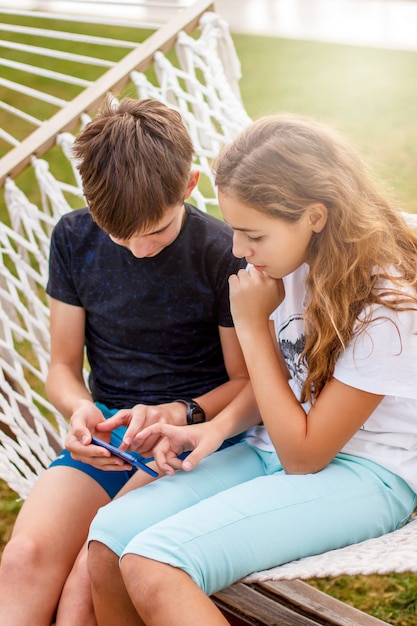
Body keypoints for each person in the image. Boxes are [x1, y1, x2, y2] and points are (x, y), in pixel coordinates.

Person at [86, 112, 417, 626]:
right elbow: (279, 400)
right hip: (273, 447)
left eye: (252, 235)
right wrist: (213, 429)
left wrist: (253, 326)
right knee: (109, 540)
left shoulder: (384, 300)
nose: (237, 251)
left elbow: (306, 454)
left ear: (315, 215)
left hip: (369, 471)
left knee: (156, 564)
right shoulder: (279, 263)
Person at [0, 97, 249, 626]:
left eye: (155, 232)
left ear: (189, 185)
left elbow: (246, 382)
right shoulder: (74, 236)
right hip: (110, 433)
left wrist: (178, 412)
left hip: (191, 440)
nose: (137, 248)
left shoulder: (221, 252)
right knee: (22, 561)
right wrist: (79, 409)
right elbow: (62, 367)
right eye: (118, 234)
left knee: (82, 595)